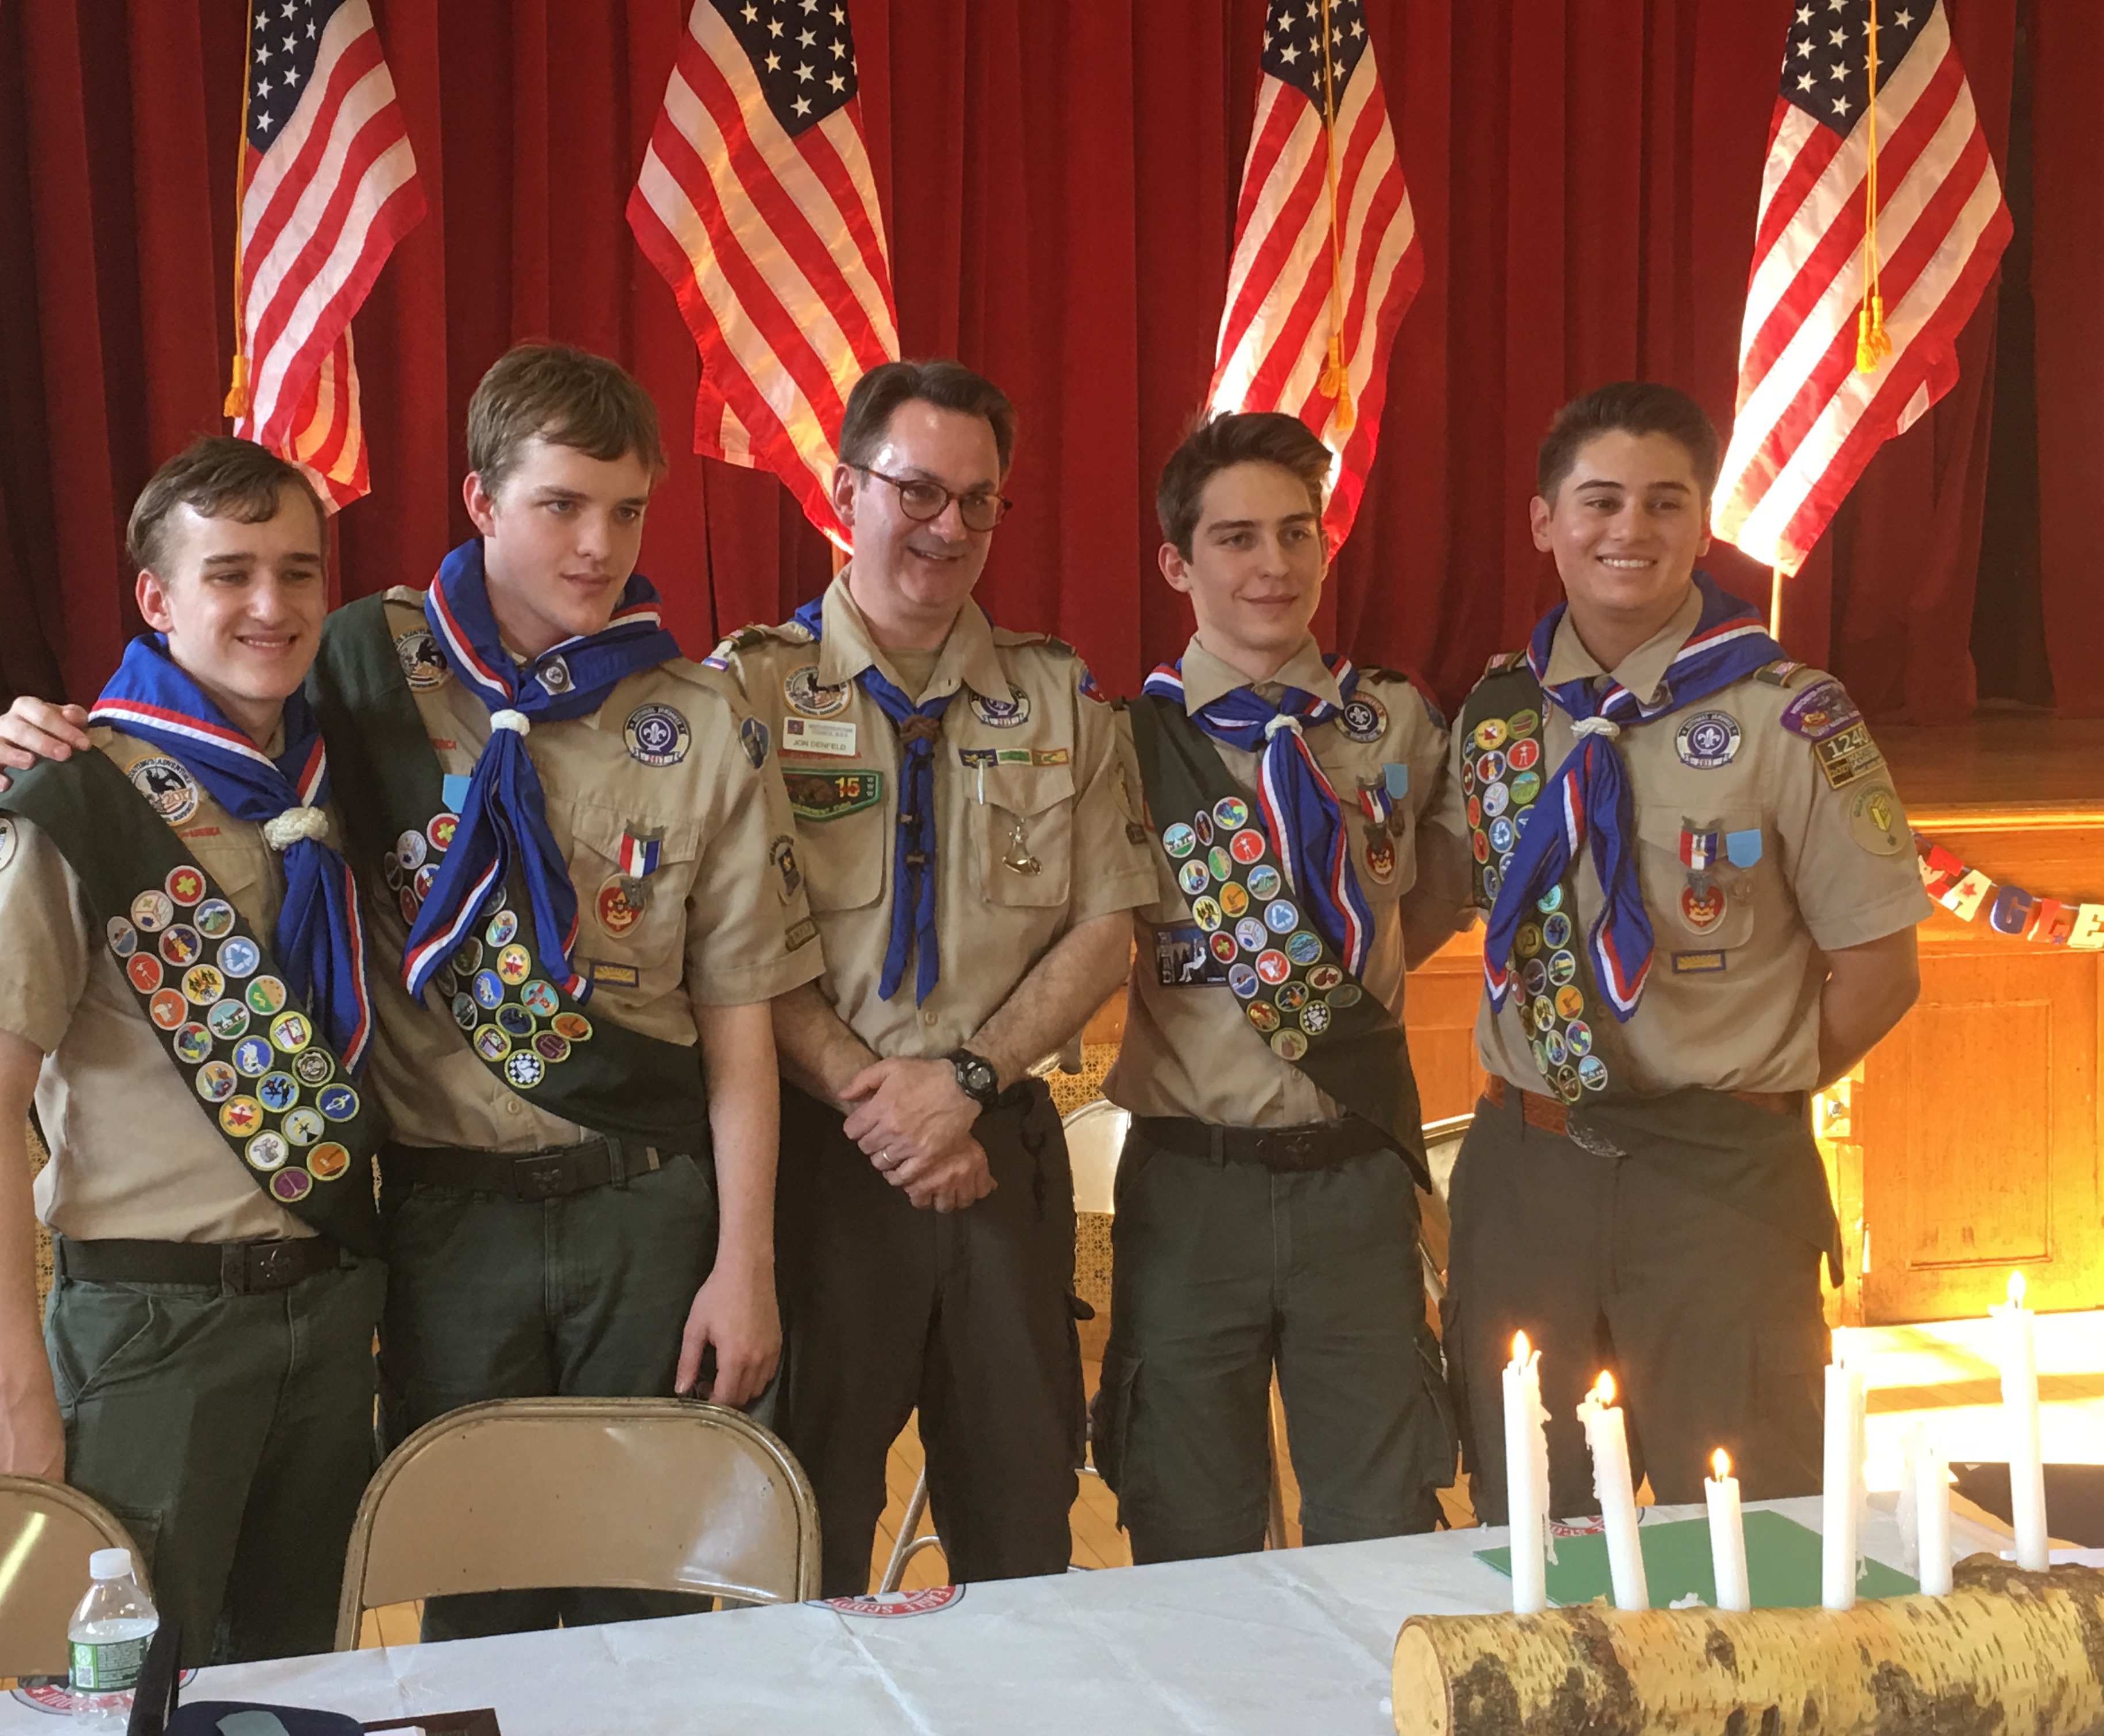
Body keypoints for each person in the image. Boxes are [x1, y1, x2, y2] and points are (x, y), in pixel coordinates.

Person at [0, 346, 822, 1638]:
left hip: (643, 1205)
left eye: (627, 510)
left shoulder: (700, 714)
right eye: (560, 504)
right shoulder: (357, 661)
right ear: (481, 500)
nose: (597, 545)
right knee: (469, 1593)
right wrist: (38, 732)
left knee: (645, 1593)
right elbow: (194, 712)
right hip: (443, 1220)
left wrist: (744, 1260)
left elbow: (738, 1018)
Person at [706, 359, 1158, 1596]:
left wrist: (961, 1085)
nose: (948, 528)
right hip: (814, 1169)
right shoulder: (742, 692)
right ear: (845, 488)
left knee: (1022, 1536)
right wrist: (888, 1110)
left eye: (978, 501)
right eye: (917, 492)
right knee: (800, 1540)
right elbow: (724, 948)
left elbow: (1106, 928)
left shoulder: (1059, 697)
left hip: (995, 1159)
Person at [1439, 382, 1927, 1524]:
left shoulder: (1792, 714)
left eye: (1666, 503)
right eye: (1600, 501)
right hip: (1529, 1180)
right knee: (1536, 1533)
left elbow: (1880, 974)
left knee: (1753, 1531)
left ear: (1704, 526)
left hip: (1719, 1184)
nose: (1632, 529)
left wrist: (1742, 1094)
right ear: (1544, 521)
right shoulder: (1498, 716)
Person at [0, 437, 385, 1664]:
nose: (270, 605)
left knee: (294, 1682)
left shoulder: (341, 773)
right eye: (229, 573)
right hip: (153, 1324)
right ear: (156, 597)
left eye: (298, 572)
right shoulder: (70, 798)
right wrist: (11, 1383)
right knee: (125, 1684)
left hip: (330, 1303)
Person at [1096, 411, 1469, 1561]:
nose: (1273, 565)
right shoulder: (1126, 744)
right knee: (1190, 1534)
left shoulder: (1394, 721)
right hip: (1193, 1188)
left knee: (1381, 1528)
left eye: (1296, 533)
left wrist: (1336, 996)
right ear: (1178, 564)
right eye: (1237, 538)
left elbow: (1432, 897)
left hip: (1353, 1180)